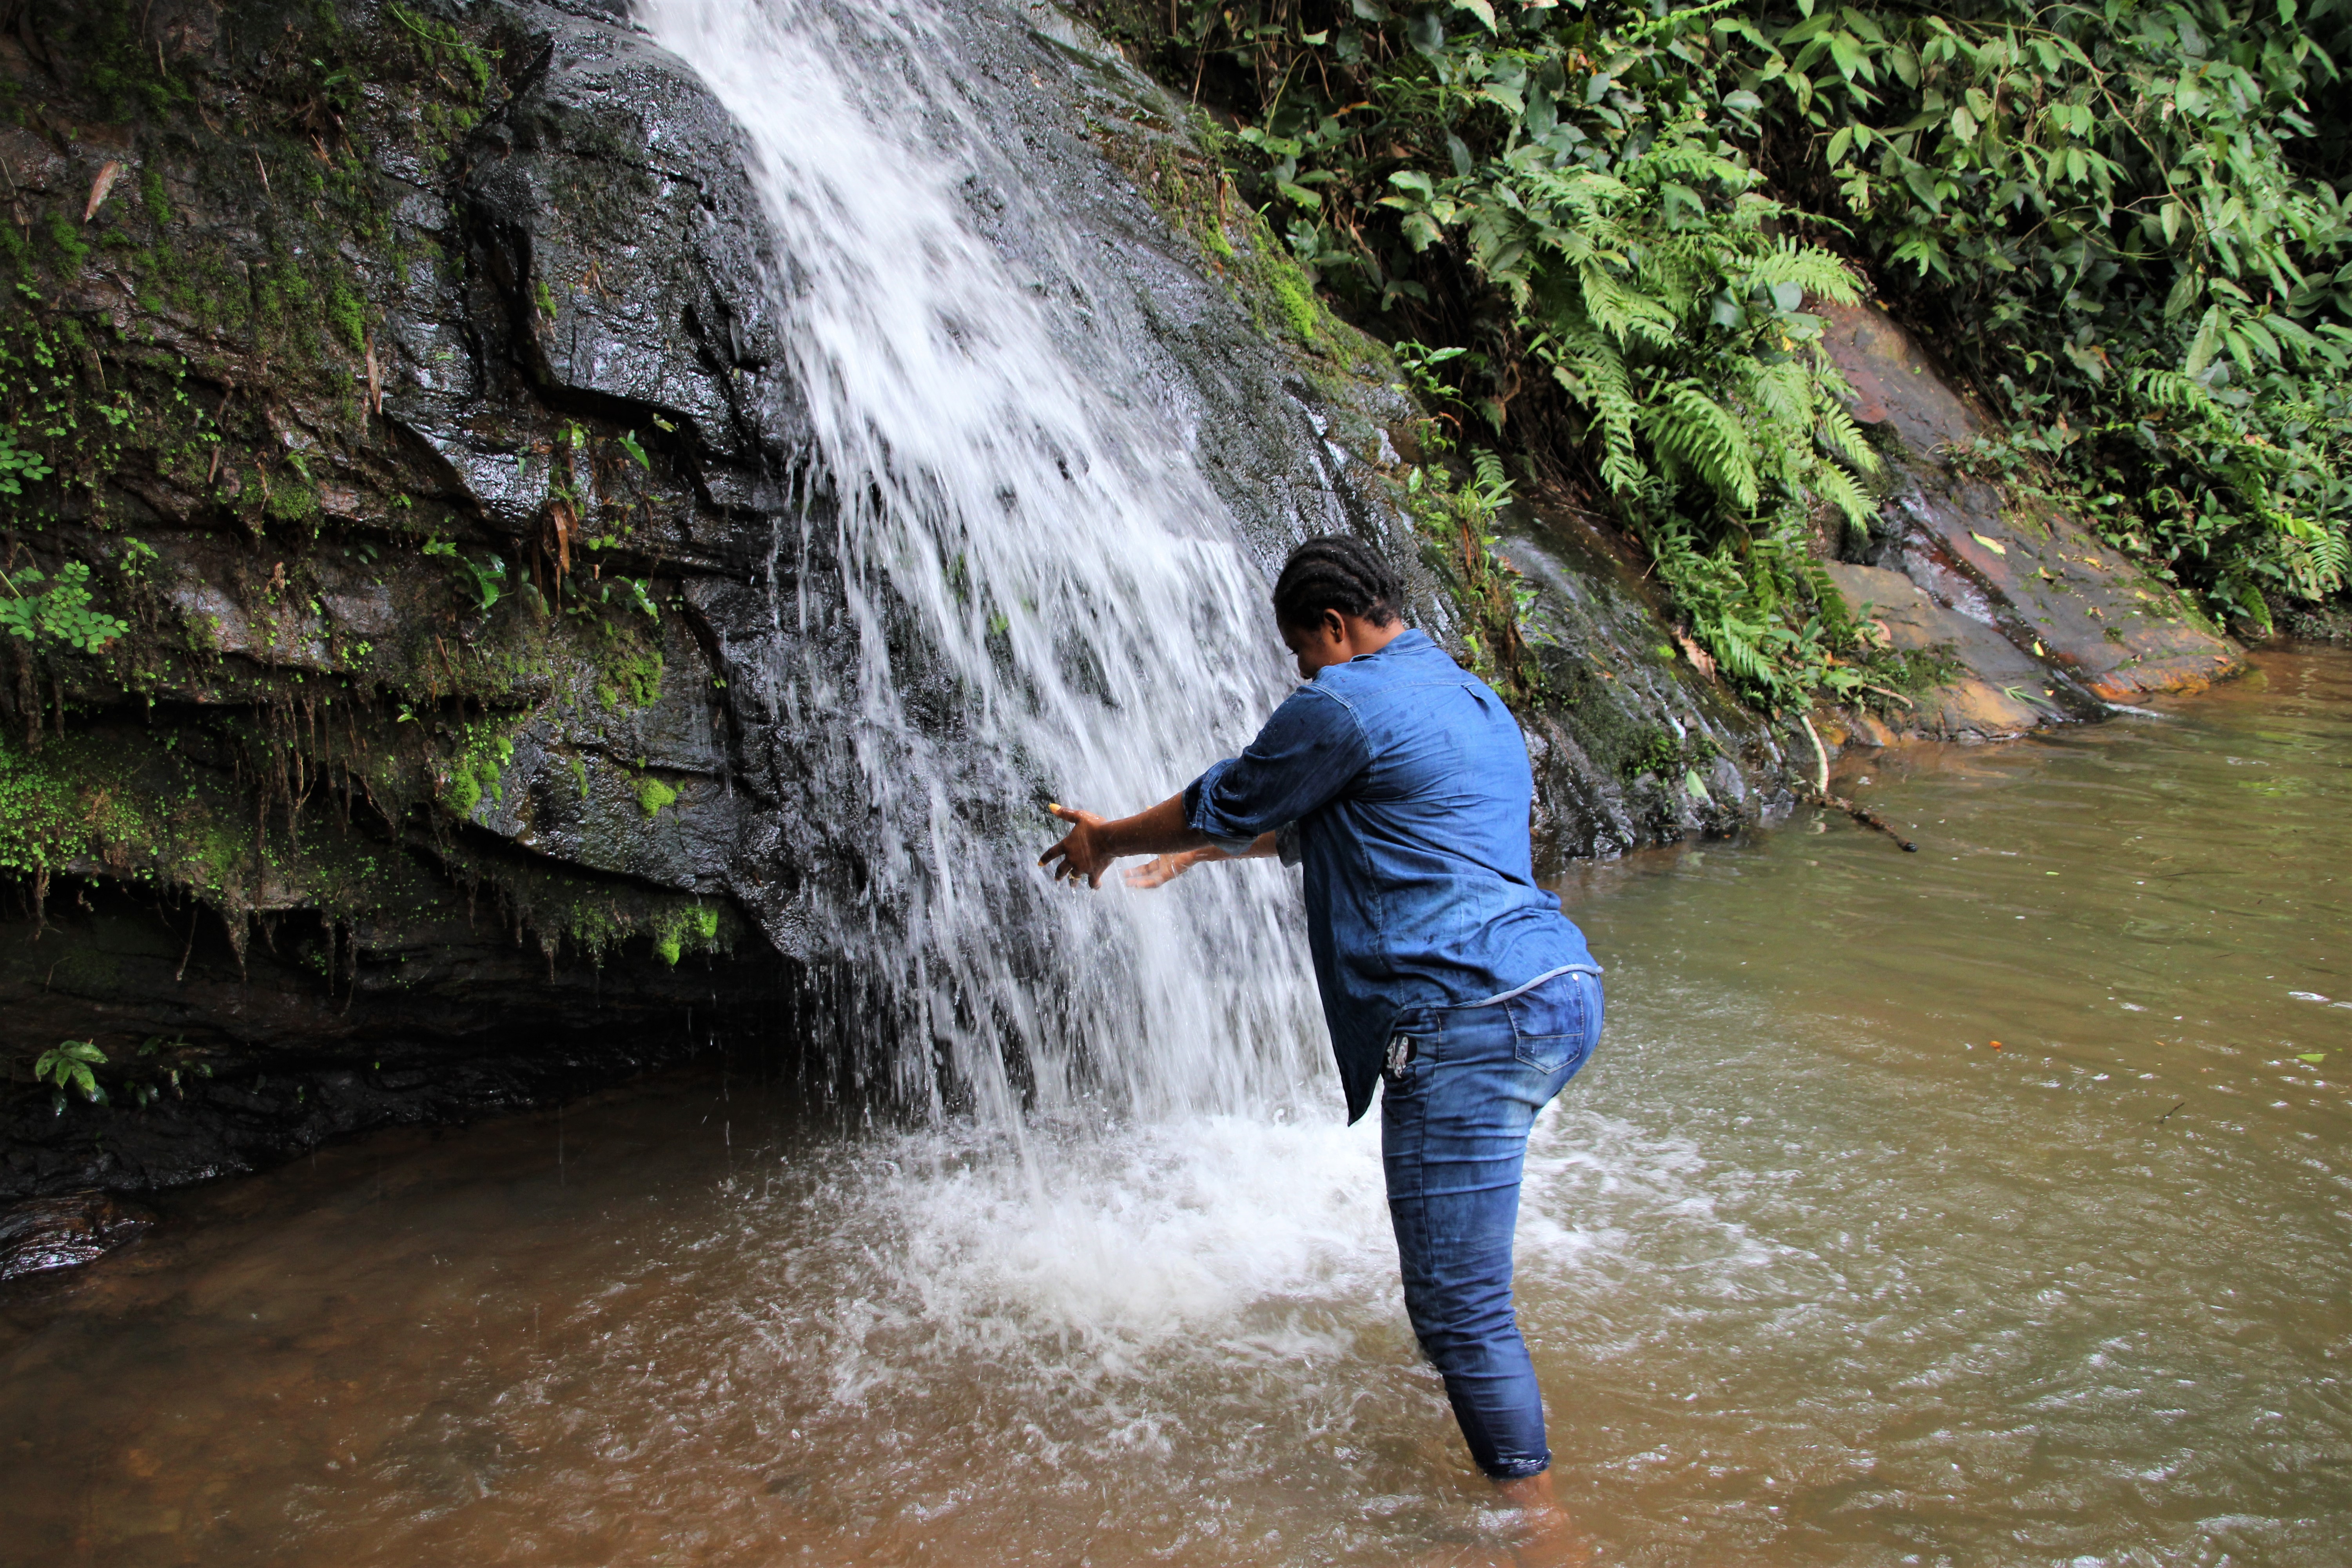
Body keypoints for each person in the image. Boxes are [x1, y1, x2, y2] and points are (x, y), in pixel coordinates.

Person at [1038, 534, 1603, 1562]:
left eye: (1301, 652)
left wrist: (1109, 839)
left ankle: (1543, 1536)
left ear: (1333, 629)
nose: (1299, 675)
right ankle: (1480, 1419)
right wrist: (1208, 857)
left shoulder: (1337, 704)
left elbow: (1240, 791)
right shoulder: (1468, 699)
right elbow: (1351, 814)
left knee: (1456, 1302)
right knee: (1458, 1288)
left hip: (1464, 1015)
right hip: (1557, 990)